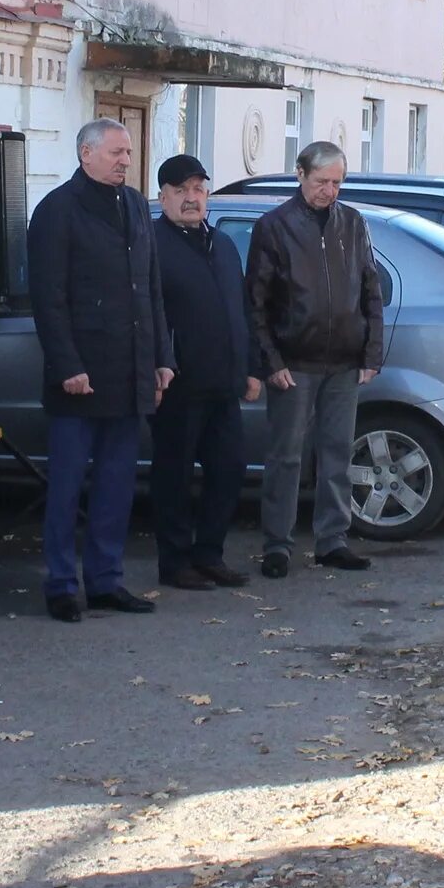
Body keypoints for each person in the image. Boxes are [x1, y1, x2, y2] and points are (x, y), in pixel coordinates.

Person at [26, 118, 173, 621]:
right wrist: (67, 363)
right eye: (115, 153)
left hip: (129, 369)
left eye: (129, 153)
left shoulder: (134, 205)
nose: (126, 161)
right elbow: (49, 298)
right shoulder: (57, 211)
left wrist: (161, 358)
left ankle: (106, 579)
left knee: (116, 484)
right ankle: (62, 585)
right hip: (80, 375)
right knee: (67, 487)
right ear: (86, 153)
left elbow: (150, 289)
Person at [245, 141, 383, 577]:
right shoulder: (274, 227)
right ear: (300, 174)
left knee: (338, 452)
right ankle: (278, 545)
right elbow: (256, 303)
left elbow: (370, 291)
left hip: (343, 359)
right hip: (294, 361)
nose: (330, 191)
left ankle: (332, 540)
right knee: (286, 456)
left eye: (338, 183)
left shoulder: (353, 223)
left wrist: (371, 352)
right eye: (322, 182)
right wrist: (271, 360)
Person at [149, 154, 260, 591]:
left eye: (198, 189)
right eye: (181, 191)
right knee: (174, 477)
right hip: (178, 384)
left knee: (229, 469)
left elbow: (242, 311)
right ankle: (174, 563)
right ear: (164, 197)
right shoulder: (152, 244)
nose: (191, 198)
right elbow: (149, 312)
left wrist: (250, 369)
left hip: (223, 383)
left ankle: (209, 554)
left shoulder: (223, 244)